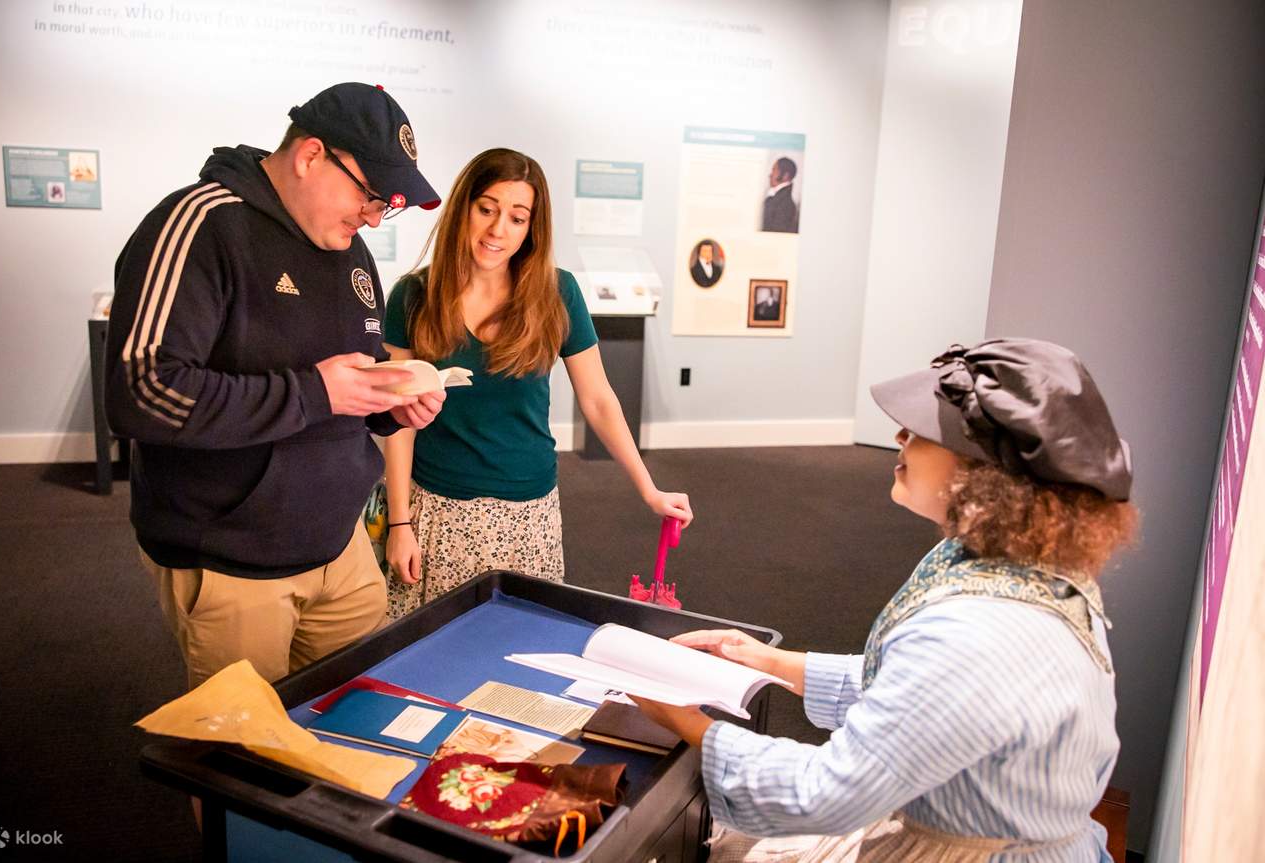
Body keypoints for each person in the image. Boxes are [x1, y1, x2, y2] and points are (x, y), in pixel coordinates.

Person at [634, 338, 1138, 862]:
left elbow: (826, 795)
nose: (899, 436)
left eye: (922, 431)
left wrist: (680, 718)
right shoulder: (1025, 572)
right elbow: (918, 702)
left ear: (984, 475)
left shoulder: (976, 629)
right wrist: (764, 659)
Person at [105, 82, 448, 690]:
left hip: (340, 550)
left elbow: (351, 388)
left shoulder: (352, 254)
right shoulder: (200, 225)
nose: (374, 215)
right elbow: (142, 391)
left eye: (385, 205)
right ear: (311, 155)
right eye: (371, 194)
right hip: (231, 561)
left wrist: (393, 408)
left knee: (352, 729)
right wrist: (316, 393)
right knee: (243, 760)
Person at [379, 147, 692, 619]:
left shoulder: (556, 291)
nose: (497, 230)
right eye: (487, 209)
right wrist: (399, 522)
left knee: (518, 660)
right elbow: (397, 420)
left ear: (532, 228)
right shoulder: (414, 295)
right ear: (464, 206)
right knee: (434, 658)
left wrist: (648, 489)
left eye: (517, 218)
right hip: (437, 509)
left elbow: (598, 398)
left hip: (528, 513)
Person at [761, 157, 799, 233]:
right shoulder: (776, 199)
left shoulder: (785, 204)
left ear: (786, 176)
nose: (770, 175)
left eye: (774, 170)